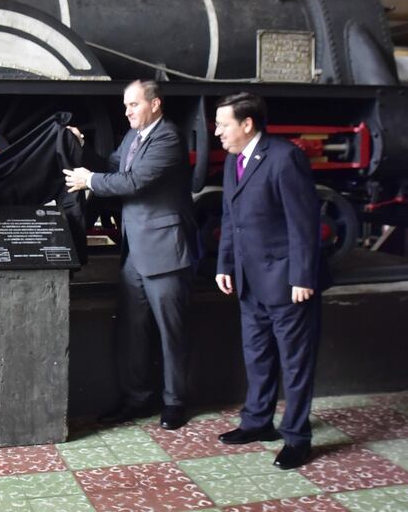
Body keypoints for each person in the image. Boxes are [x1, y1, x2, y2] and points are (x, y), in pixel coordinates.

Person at [64, 79, 197, 430]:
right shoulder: (133, 138)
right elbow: (112, 167)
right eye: (125, 106)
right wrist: (82, 147)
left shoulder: (168, 138)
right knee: (132, 332)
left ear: (155, 104)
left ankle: (174, 403)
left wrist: (89, 180)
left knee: (172, 334)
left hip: (166, 253)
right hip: (135, 254)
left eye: (134, 105)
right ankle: (137, 399)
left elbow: (133, 182)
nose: (127, 112)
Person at [214, 91, 326, 470]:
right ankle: (257, 422)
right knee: (258, 357)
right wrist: (224, 265)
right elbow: (231, 219)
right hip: (249, 282)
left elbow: (304, 222)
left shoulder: (284, 157)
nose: (217, 132)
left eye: (222, 124)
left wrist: (303, 276)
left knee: (295, 364)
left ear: (247, 124)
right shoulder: (235, 162)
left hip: (287, 284)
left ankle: (297, 437)